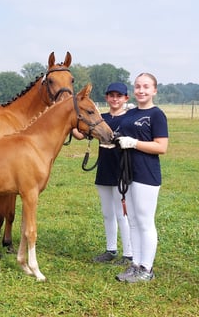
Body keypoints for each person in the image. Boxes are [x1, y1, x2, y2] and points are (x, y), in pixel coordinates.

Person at [114, 73, 169, 283]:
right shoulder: (130, 113)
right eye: (137, 86)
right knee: (133, 221)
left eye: (146, 86)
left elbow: (161, 146)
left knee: (145, 222)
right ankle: (135, 264)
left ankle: (147, 268)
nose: (141, 90)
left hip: (146, 174)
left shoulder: (157, 115)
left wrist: (134, 143)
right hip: (128, 173)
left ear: (154, 90)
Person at [73, 82, 133, 266]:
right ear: (107, 97)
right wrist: (68, 123)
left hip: (121, 169)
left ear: (125, 98)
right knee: (107, 213)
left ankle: (129, 253)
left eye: (119, 96)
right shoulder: (102, 117)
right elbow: (81, 134)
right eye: (111, 95)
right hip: (104, 169)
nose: (115, 99)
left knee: (121, 213)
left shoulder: (129, 119)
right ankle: (111, 249)